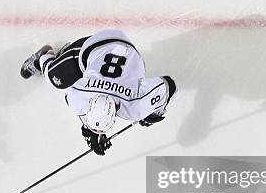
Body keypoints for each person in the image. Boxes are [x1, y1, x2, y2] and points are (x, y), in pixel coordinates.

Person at [20, 29, 177, 155]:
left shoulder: (135, 107)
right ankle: (48, 58)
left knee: (59, 78)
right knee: (55, 79)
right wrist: (152, 113)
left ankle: (48, 58)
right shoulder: (81, 96)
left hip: (112, 47)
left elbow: (169, 86)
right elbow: (169, 85)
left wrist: (152, 112)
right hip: (105, 48)